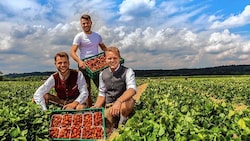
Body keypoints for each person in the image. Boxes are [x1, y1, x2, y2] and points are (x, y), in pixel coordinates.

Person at [92, 47, 136, 129]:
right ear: (105, 60)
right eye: (109, 58)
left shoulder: (128, 71)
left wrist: (119, 101)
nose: (112, 61)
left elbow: (132, 90)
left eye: (115, 58)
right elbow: (102, 94)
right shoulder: (102, 74)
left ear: (119, 58)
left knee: (129, 101)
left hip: (123, 103)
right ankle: (113, 123)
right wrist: (96, 106)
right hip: (109, 105)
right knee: (106, 128)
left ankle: (122, 121)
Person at [70, 14, 107, 108]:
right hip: (84, 65)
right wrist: (79, 61)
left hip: (96, 64)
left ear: (91, 23)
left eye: (87, 23)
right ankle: (89, 107)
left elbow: (104, 48)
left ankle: (103, 106)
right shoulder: (79, 36)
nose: (85, 25)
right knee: (86, 88)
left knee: (101, 86)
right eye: (83, 23)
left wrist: (111, 55)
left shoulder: (97, 36)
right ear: (81, 24)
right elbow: (72, 52)